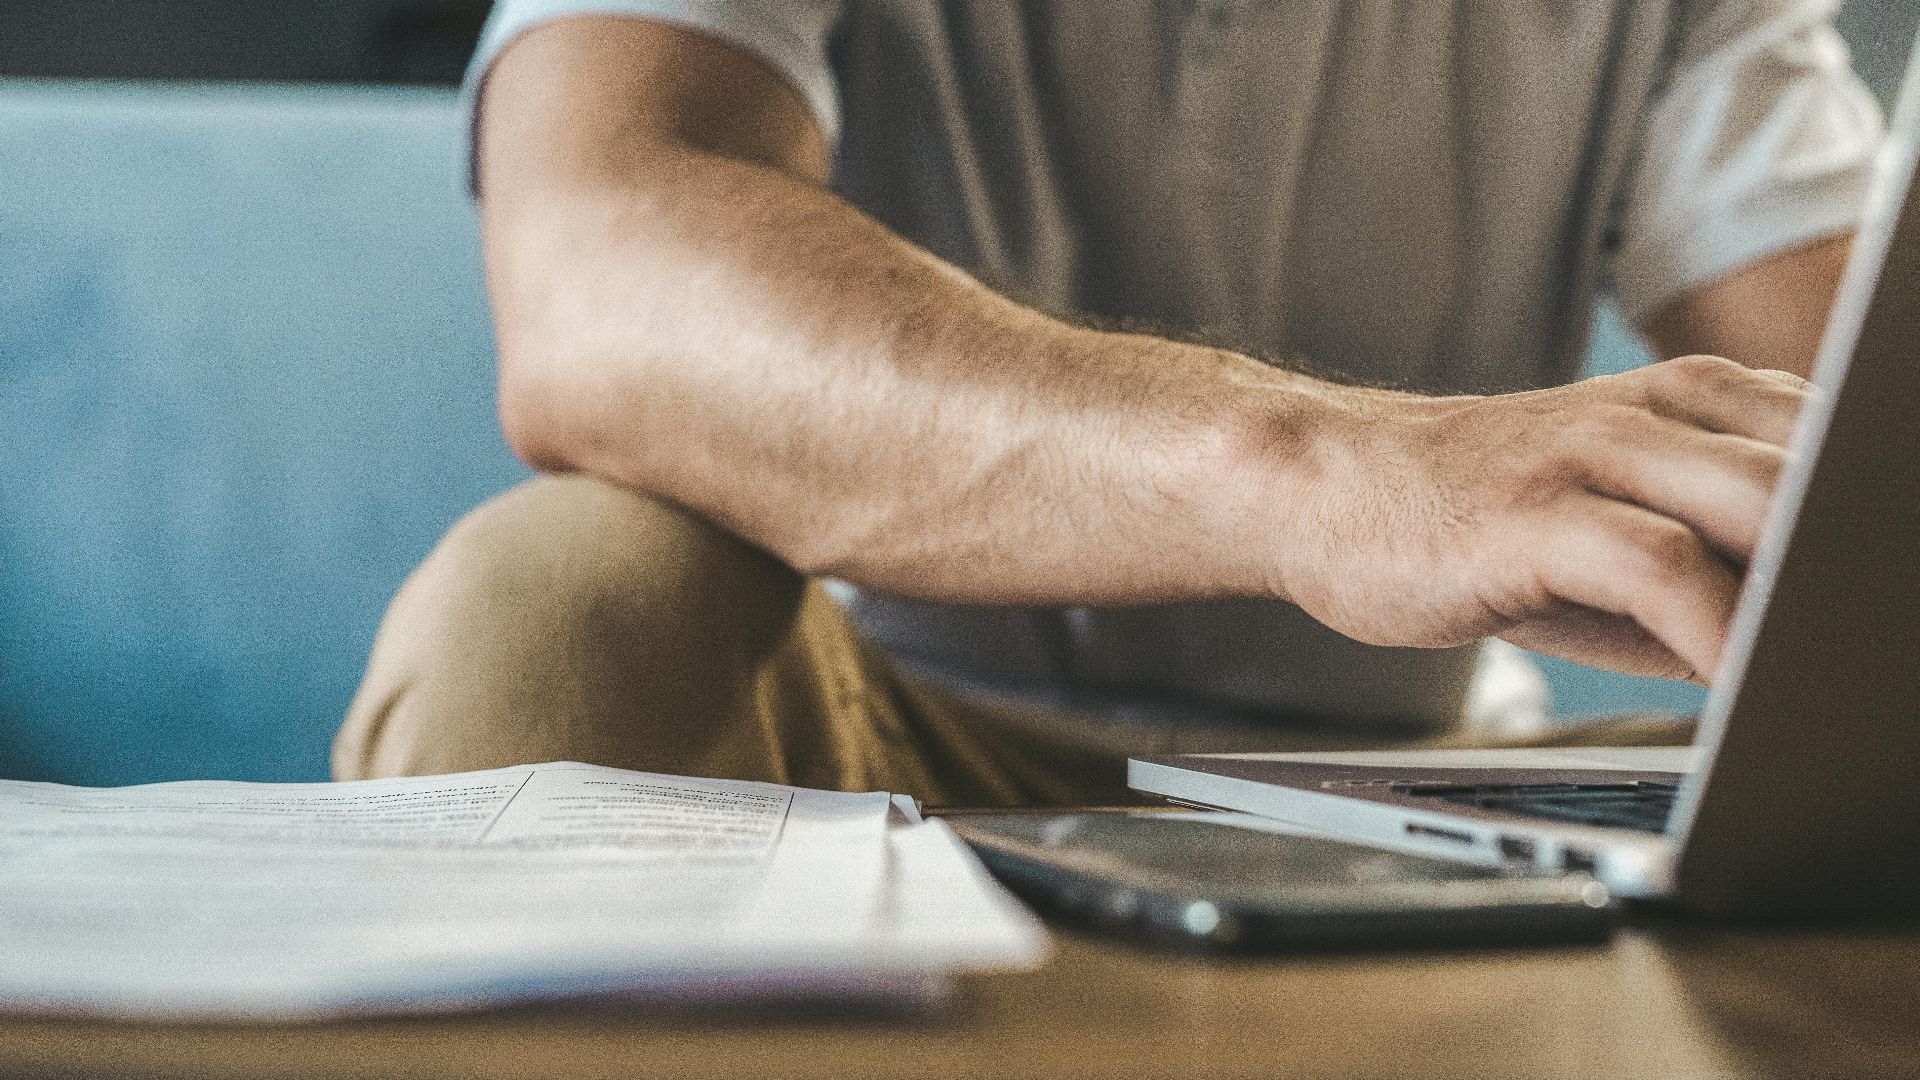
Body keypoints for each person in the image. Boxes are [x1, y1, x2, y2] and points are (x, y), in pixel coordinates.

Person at [335, 1, 1885, 805]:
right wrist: (1325, 475)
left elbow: (1871, 430)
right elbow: (596, 278)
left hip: (1421, 789)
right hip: (881, 750)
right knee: (549, 615)